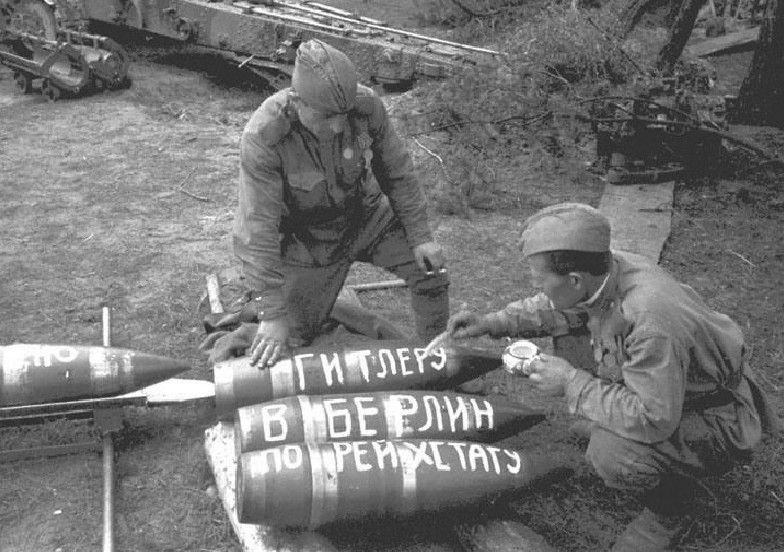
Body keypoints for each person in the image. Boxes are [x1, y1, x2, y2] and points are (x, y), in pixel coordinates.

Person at [446, 202, 779, 550]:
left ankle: (672, 509)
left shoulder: (650, 321)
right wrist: (492, 323)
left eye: (540, 278)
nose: (535, 283)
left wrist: (571, 383)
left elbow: (654, 418)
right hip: (673, 389)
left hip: (715, 413)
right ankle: (619, 429)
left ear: (574, 280)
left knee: (612, 453)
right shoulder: (601, 270)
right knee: (570, 338)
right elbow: (554, 306)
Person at [233, 39, 449, 368]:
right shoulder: (264, 136)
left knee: (431, 272)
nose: (337, 127)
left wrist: (421, 236)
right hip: (309, 241)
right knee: (292, 336)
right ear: (297, 102)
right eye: (326, 117)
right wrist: (272, 313)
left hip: (367, 217)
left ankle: (436, 362)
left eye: (343, 116)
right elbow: (257, 229)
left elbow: (397, 172)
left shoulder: (365, 105)